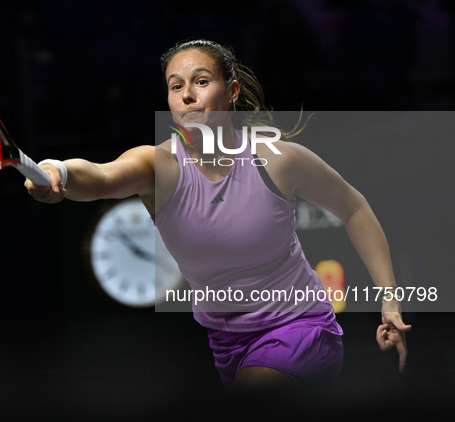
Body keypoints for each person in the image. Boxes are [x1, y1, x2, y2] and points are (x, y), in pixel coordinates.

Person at [25, 39, 411, 391]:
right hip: (227, 344)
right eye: (176, 87)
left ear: (232, 92)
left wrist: (389, 300)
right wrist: (58, 171)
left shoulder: (276, 161)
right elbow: (100, 174)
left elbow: (354, 207)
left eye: (201, 81)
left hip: (301, 328)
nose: (188, 96)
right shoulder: (158, 165)